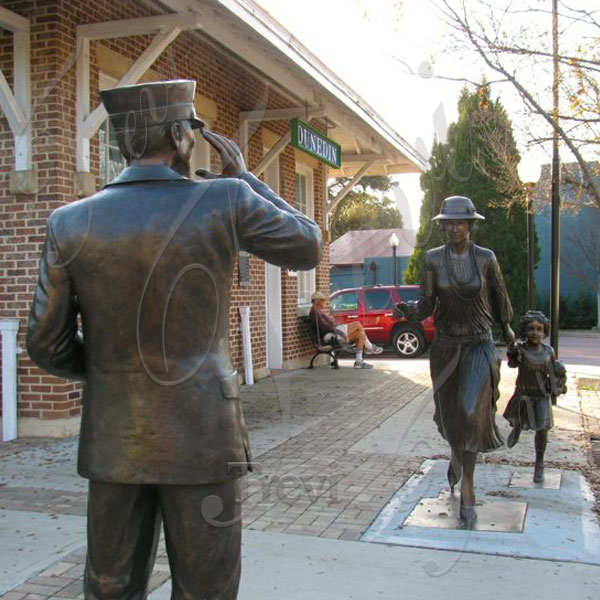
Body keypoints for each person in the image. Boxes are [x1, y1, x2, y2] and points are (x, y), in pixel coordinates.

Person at [26, 80, 322, 600]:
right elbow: (308, 246)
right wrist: (249, 180)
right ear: (178, 136)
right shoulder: (225, 199)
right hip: (203, 434)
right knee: (205, 588)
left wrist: (110, 374)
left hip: (115, 436)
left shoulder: (69, 222)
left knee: (109, 586)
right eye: (191, 128)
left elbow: (45, 342)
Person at [398, 196, 515, 525]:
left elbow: (500, 296)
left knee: (468, 409)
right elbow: (427, 303)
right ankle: (455, 453)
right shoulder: (433, 260)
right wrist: (413, 312)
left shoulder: (485, 258)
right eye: (447, 223)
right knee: (450, 414)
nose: (453, 228)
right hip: (446, 347)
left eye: (459, 222)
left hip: (478, 344)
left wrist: (508, 331)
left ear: (471, 225)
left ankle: (468, 486)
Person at [504, 310, 567, 483]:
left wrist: (558, 384)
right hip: (523, 394)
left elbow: (554, 371)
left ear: (545, 332)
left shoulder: (549, 351)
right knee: (518, 417)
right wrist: (511, 349)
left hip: (541, 396)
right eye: (531, 329)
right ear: (525, 331)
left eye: (539, 329)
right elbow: (512, 363)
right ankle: (517, 427)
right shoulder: (521, 349)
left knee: (542, 429)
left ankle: (539, 463)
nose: (535, 333)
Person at [309, 291, 382, 369]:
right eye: (323, 300)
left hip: (334, 331)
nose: (324, 302)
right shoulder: (315, 312)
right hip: (332, 334)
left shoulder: (318, 311)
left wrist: (332, 321)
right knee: (357, 324)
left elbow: (328, 324)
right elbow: (326, 326)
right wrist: (340, 332)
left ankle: (359, 362)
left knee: (360, 334)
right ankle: (370, 347)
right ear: (318, 301)